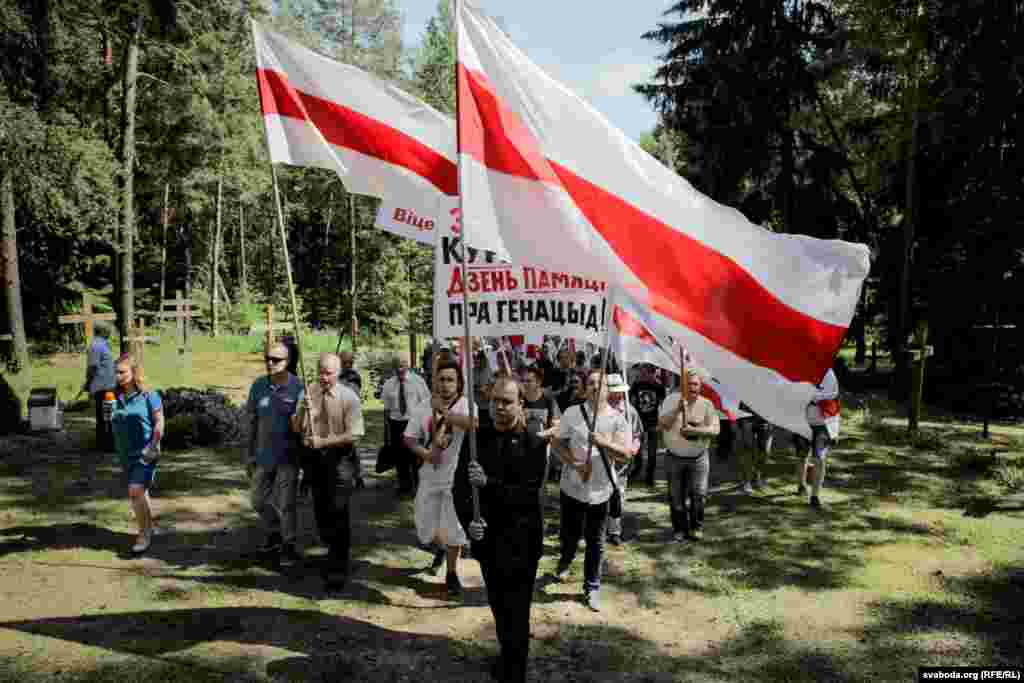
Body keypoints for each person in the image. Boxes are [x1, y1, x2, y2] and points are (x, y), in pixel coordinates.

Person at [466, 375, 548, 683]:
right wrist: (469, 523)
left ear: (520, 404)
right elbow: (461, 490)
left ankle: (516, 671)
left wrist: (489, 483)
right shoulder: (476, 439)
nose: (498, 407)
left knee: (517, 609)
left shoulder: (534, 441)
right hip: (488, 541)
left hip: (521, 540)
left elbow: (526, 493)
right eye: (494, 401)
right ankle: (507, 652)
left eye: (506, 402)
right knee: (498, 605)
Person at [551, 369, 632, 612]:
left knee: (596, 540)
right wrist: (574, 463)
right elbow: (556, 442)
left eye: (601, 384)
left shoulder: (618, 419)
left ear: (608, 390)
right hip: (572, 487)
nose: (596, 387)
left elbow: (625, 453)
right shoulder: (572, 413)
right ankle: (565, 560)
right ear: (585, 388)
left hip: (601, 490)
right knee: (570, 533)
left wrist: (603, 442)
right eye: (592, 383)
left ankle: (592, 586)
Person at [291, 353, 365, 590]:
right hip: (314, 460)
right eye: (320, 372)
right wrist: (303, 411)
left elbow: (355, 434)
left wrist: (325, 442)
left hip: (340, 459)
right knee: (321, 510)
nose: (323, 377)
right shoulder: (307, 392)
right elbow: (295, 427)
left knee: (338, 511)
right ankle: (332, 547)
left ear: (339, 373)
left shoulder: (348, 397)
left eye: (329, 373)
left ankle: (339, 564)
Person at [403, 359, 476, 595]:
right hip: (429, 477)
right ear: (434, 382)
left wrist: (445, 413)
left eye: (450, 380)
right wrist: (426, 454)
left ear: (459, 383)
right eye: (441, 379)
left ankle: (452, 572)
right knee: (426, 529)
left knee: (454, 529)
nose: (445, 385)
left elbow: (474, 424)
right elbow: (409, 439)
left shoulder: (466, 405)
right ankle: (442, 547)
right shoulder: (423, 407)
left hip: (456, 479)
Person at [245, 341, 304, 567]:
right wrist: (249, 453)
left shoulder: (299, 387)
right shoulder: (259, 386)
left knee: (286, 503)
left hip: (289, 456)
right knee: (257, 501)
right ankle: (275, 530)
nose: (270, 363)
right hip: (263, 455)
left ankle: (289, 545)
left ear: (288, 362)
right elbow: (251, 420)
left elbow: (304, 426)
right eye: (267, 359)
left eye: (276, 360)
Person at [109, 353, 163, 554]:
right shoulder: (116, 396)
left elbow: (159, 422)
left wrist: (153, 445)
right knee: (140, 493)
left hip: (146, 452)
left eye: (122, 372)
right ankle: (148, 527)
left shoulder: (149, 395)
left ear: (134, 372)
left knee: (135, 490)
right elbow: (116, 423)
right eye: (115, 372)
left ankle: (144, 534)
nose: (117, 376)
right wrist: (111, 415)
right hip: (125, 453)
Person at [658, 369, 720, 543]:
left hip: (698, 458)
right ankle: (679, 529)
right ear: (682, 385)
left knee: (698, 494)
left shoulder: (707, 404)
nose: (692, 387)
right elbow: (662, 424)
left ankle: (696, 527)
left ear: (700, 386)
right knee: (676, 496)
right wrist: (677, 410)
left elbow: (715, 430)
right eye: (689, 384)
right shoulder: (671, 400)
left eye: (696, 384)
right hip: (674, 457)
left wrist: (695, 430)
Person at [381, 353, 431, 497]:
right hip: (396, 424)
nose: (400, 369)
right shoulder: (389, 384)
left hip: (413, 423)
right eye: (397, 366)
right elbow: (386, 410)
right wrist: (387, 431)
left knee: (415, 457)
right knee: (400, 458)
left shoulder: (418, 382)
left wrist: (424, 428)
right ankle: (404, 487)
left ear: (408, 365)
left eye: (403, 365)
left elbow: (426, 404)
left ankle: (419, 487)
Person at [605, 373, 643, 546]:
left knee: (618, 496)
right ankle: (599, 527)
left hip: (622, 461)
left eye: (620, 391)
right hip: (602, 459)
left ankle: (614, 531)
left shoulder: (630, 410)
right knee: (601, 495)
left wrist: (634, 448)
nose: (618, 394)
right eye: (614, 391)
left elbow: (637, 434)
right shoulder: (598, 409)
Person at [796, 368, 840, 508]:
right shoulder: (802, 368)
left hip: (823, 423)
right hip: (803, 421)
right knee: (802, 455)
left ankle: (815, 496)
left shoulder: (829, 373)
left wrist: (813, 397)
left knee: (819, 459)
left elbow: (833, 394)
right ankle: (801, 485)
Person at [628, 364, 666, 486]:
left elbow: (662, 405)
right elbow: (632, 402)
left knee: (652, 451)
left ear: (652, 373)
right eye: (641, 372)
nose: (642, 375)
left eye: (644, 373)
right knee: (637, 449)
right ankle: (637, 470)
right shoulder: (636, 384)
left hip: (653, 423)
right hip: (639, 422)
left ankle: (650, 475)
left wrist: (660, 422)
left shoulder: (659, 386)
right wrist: (632, 419)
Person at [83, 322, 116, 452]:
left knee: (109, 416)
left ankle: (109, 443)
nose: (110, 333)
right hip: (102, 388)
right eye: (108, 331)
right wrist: (88, 382)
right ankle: (104, 444)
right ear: (102, 332)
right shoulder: (96, 345)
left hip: (107, 386)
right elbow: (93, 367)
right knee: (104, 417)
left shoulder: (102, 345)